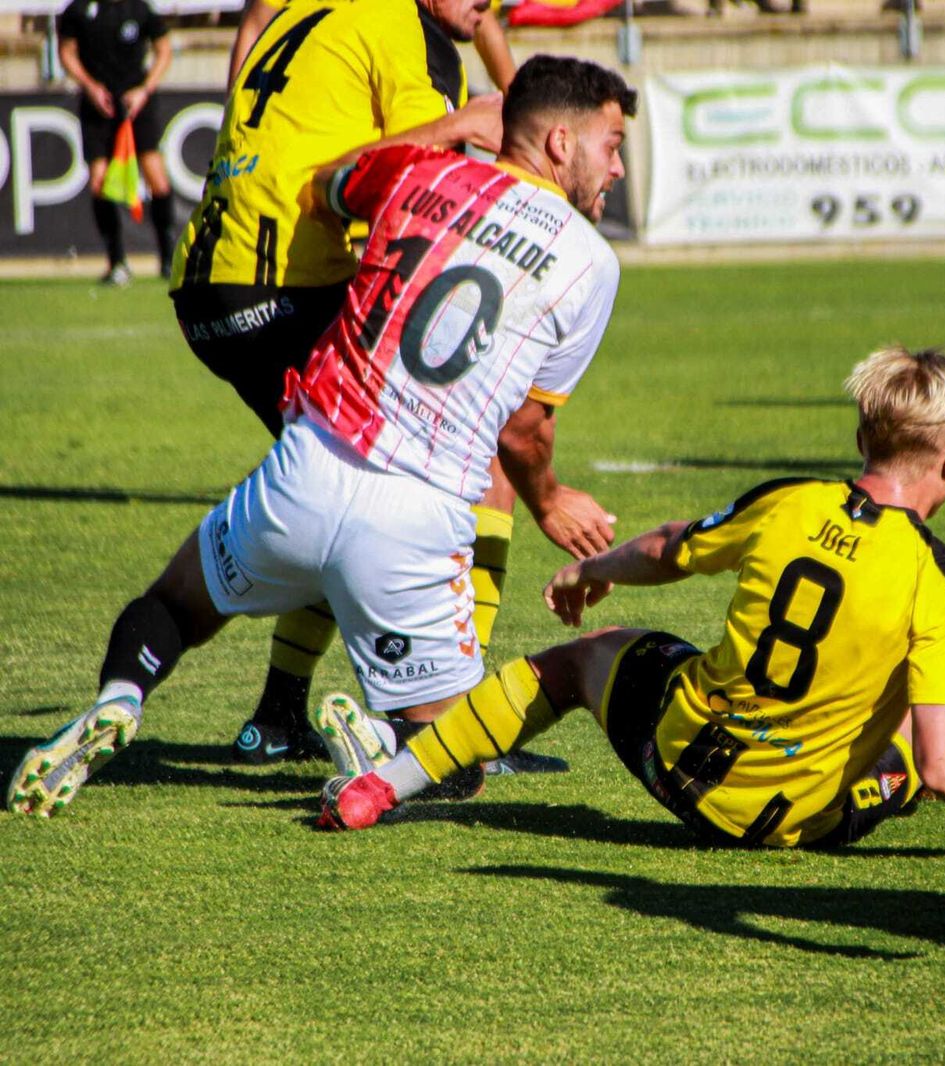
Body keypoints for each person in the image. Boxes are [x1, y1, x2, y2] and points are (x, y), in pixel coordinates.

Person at [7, 54, 637, 820]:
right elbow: (528, 431)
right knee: (455, 761)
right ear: (562, 143)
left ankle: (121, 697)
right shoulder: (590, 264)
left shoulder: (415, 175)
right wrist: (550, 499)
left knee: (170, 608)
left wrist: (449, 128)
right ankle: (376, 739)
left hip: (304, 469)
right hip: (417, 515)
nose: (619, 168)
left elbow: (331, 183)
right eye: (612, 145)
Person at [318, 346, 945, 859]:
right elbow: (941, 767)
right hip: (797, 823)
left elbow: (670, 546)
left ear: (863, 440)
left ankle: (384, 786)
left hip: (673, 761)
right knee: (928, 729)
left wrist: (590, 568)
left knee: (579, 660)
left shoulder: (789, 501)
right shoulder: (944, 585)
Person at [173, 0, 615, 769]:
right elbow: (431, 176)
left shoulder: (321, 11)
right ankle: (455, 729)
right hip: (290, 270)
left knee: (339, 479)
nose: (486, 9)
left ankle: (279, 712)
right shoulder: (411, 38)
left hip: (219, 267)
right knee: (465, 465)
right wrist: (459, 125)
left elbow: (252, 22)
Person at [57, 0, 176, 285]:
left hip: (136, 103)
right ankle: (117, 262)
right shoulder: (79, 9)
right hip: (98, 106)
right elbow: (67, 52)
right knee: (99, 181)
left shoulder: (139, 9)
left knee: (156, 177)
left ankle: (168, 259)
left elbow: (164, 50)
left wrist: (144, 90)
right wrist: (90, 86)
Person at [227, 0, 518, 93]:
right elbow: (255, 24)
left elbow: (482, 19)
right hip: (317, 90)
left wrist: (519, 101)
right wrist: (232, 118)